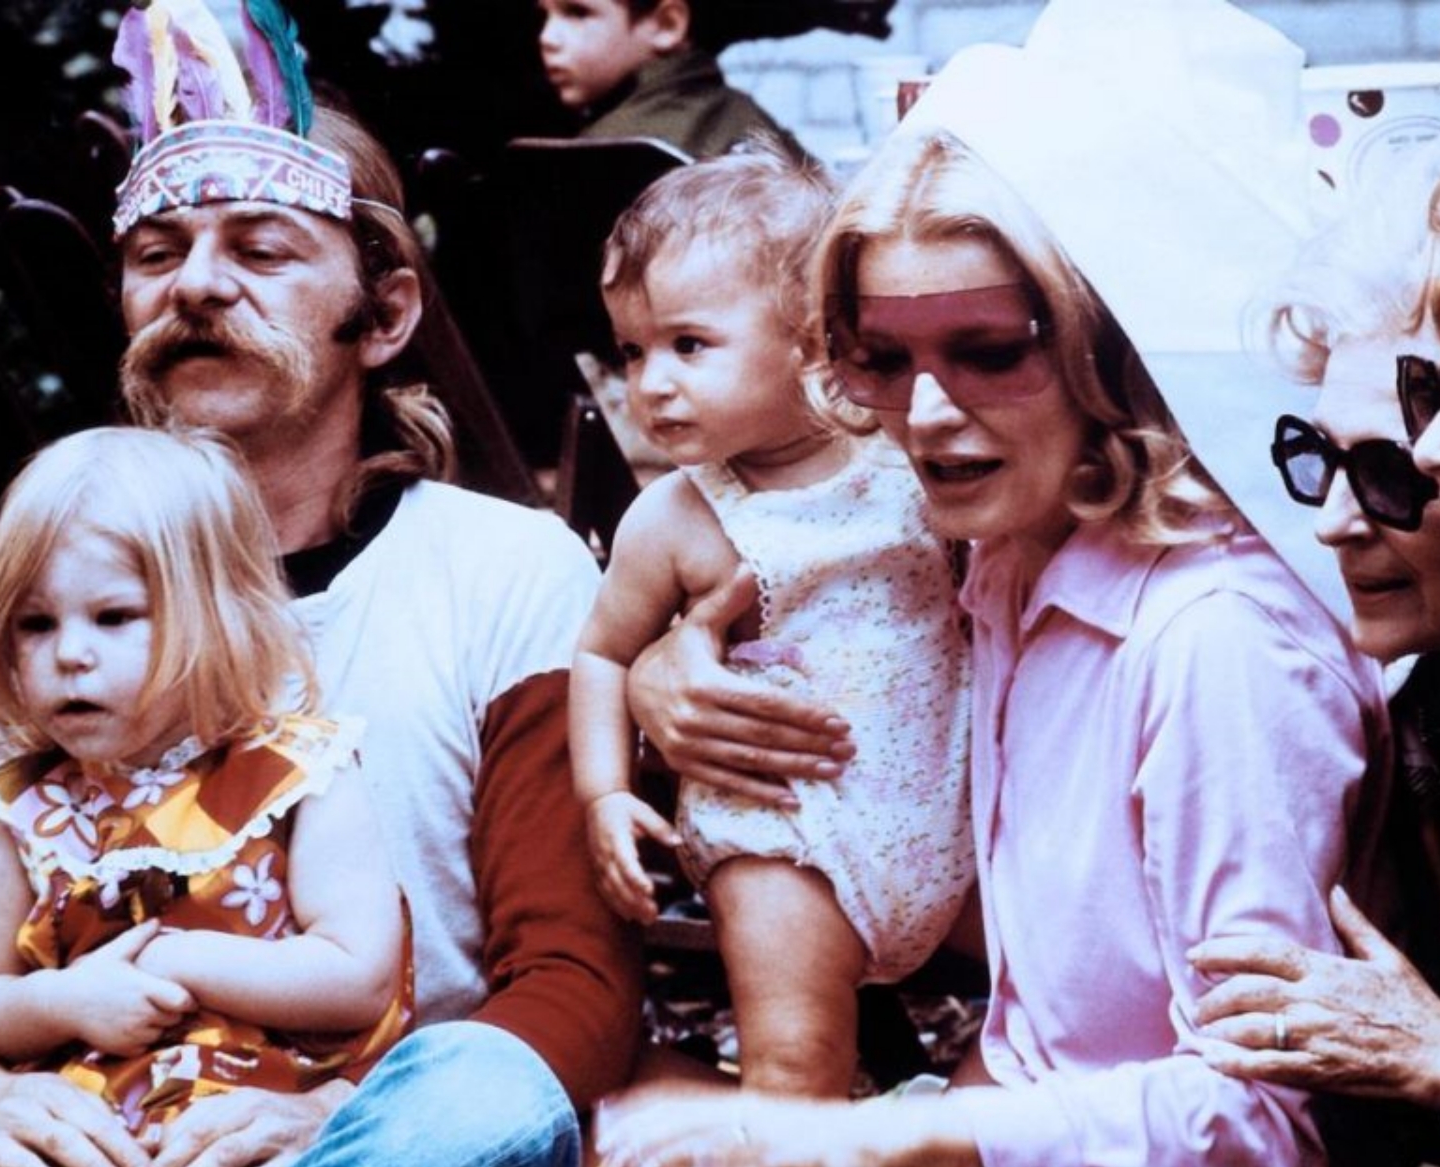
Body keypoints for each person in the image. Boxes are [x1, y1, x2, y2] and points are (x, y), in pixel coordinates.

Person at [594, 13, 1394, 1159]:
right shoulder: (998, 552)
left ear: (1110, 349)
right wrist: (659, 675)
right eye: (881, 358)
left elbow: (1261, 1117)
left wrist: (883, 1142)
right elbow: (1034, 1036)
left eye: (988, 351)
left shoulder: (1219, 644)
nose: (924, 415)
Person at [0, 4, 642, 1163]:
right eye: (155, 254)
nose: (197, 286)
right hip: (87, 1131)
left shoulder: (502, 572)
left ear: (385, 315)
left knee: (480, 1093)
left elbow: (576, 977)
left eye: (262, 251)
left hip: (409, 1122)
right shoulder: (3, 608)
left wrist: (338, 1123)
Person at [570, 148, 975, 1098]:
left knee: (1069, 997)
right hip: (781, 842)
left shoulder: (908, 461)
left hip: (946, 810)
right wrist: (604, 791)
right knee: (793, 1064)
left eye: (688, 345)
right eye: (632, 351)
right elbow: (602, 652)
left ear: (810, 338)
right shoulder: (677, 518)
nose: (650, 383)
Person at [0, 426, 409, 1142]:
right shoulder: (16, 812)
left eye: (114, 617)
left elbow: (360, 979)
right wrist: (65, 1000)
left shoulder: (297, 776)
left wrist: (175, 957)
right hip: (87, 1136)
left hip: (274, 1125)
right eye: (35, 624)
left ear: (216, 618)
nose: (71, 653)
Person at [1186, 144, 1440, 1165]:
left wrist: (1434, 1053)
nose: (1334, 520)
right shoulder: (1419, 705)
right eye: (1322, 460)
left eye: (1387, 472)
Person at [536, 0, 807, 161]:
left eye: (578, 12)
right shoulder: (740, 111)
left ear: (668, 24)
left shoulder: (619, 147)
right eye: (545, 15)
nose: (547, 37)